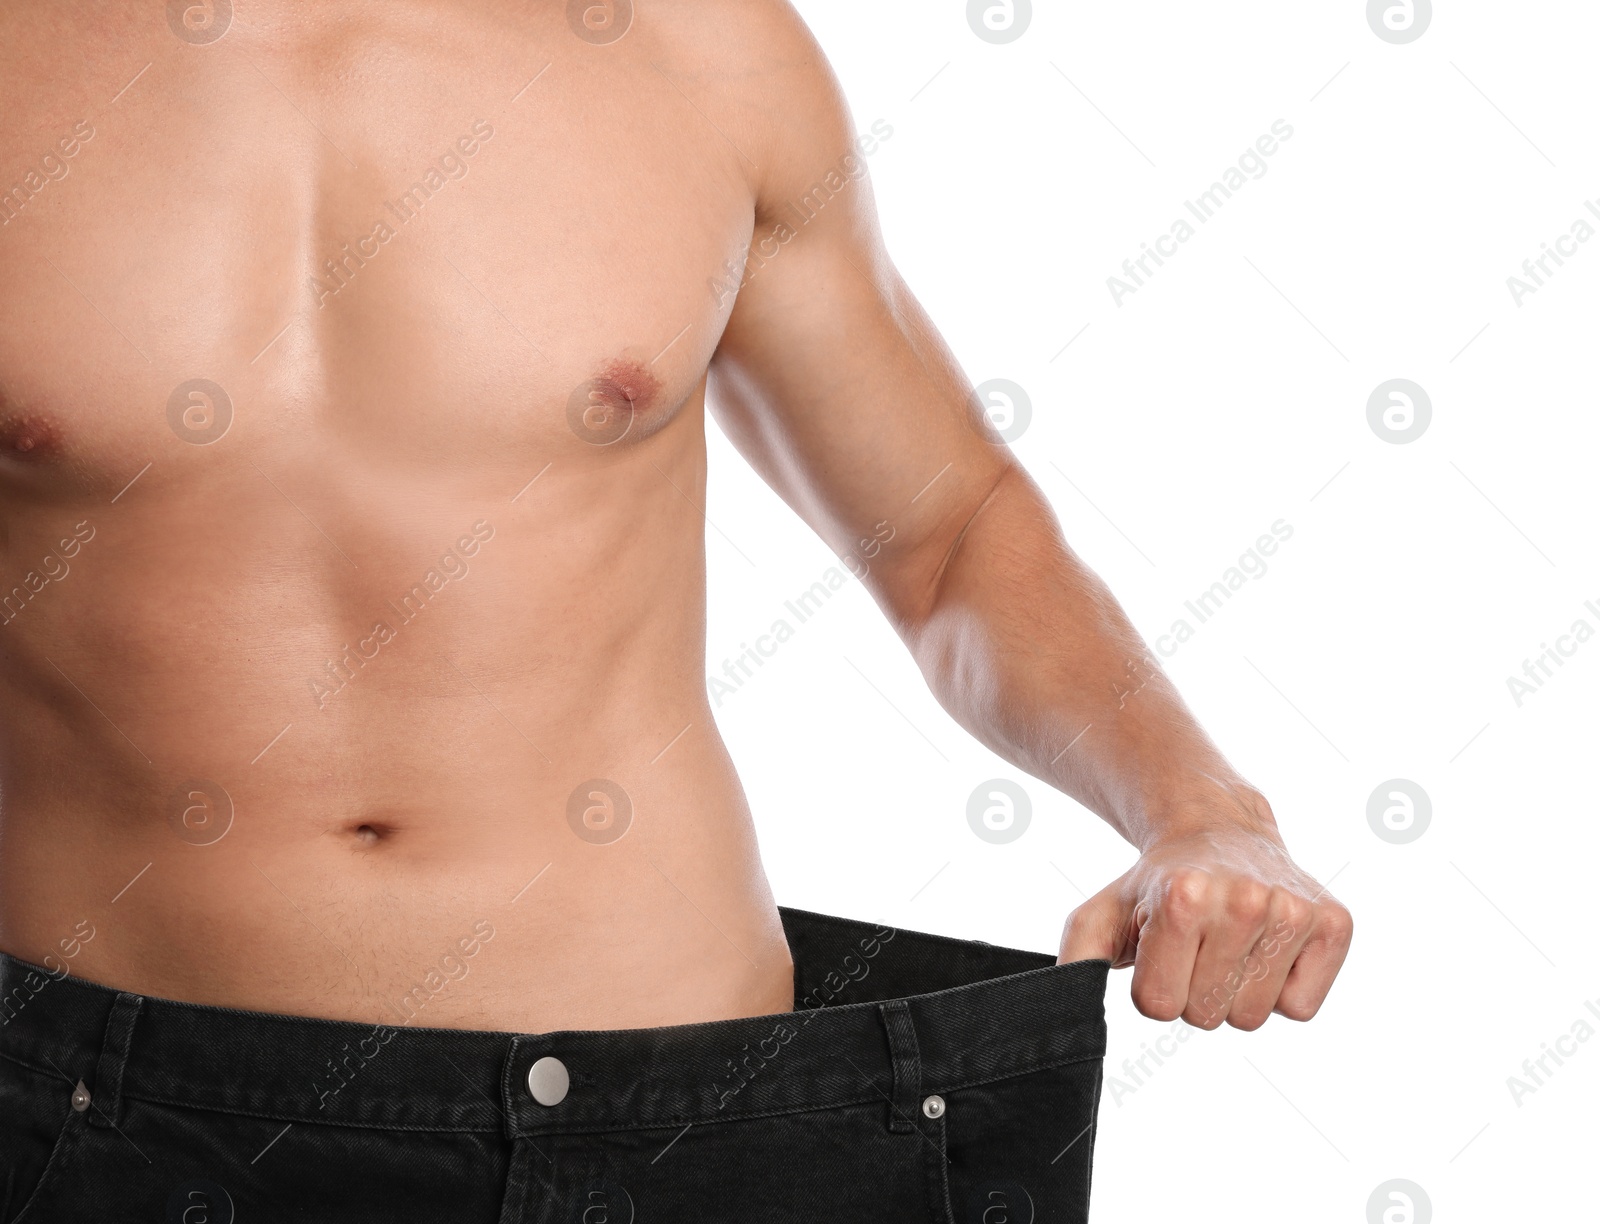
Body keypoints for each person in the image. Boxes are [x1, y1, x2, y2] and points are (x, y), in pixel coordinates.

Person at [0, 3, 1351, 1219]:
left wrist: (1204, 811)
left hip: (680, 1123)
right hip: (99, 1115)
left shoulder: (696, 50)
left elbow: (947, 535)